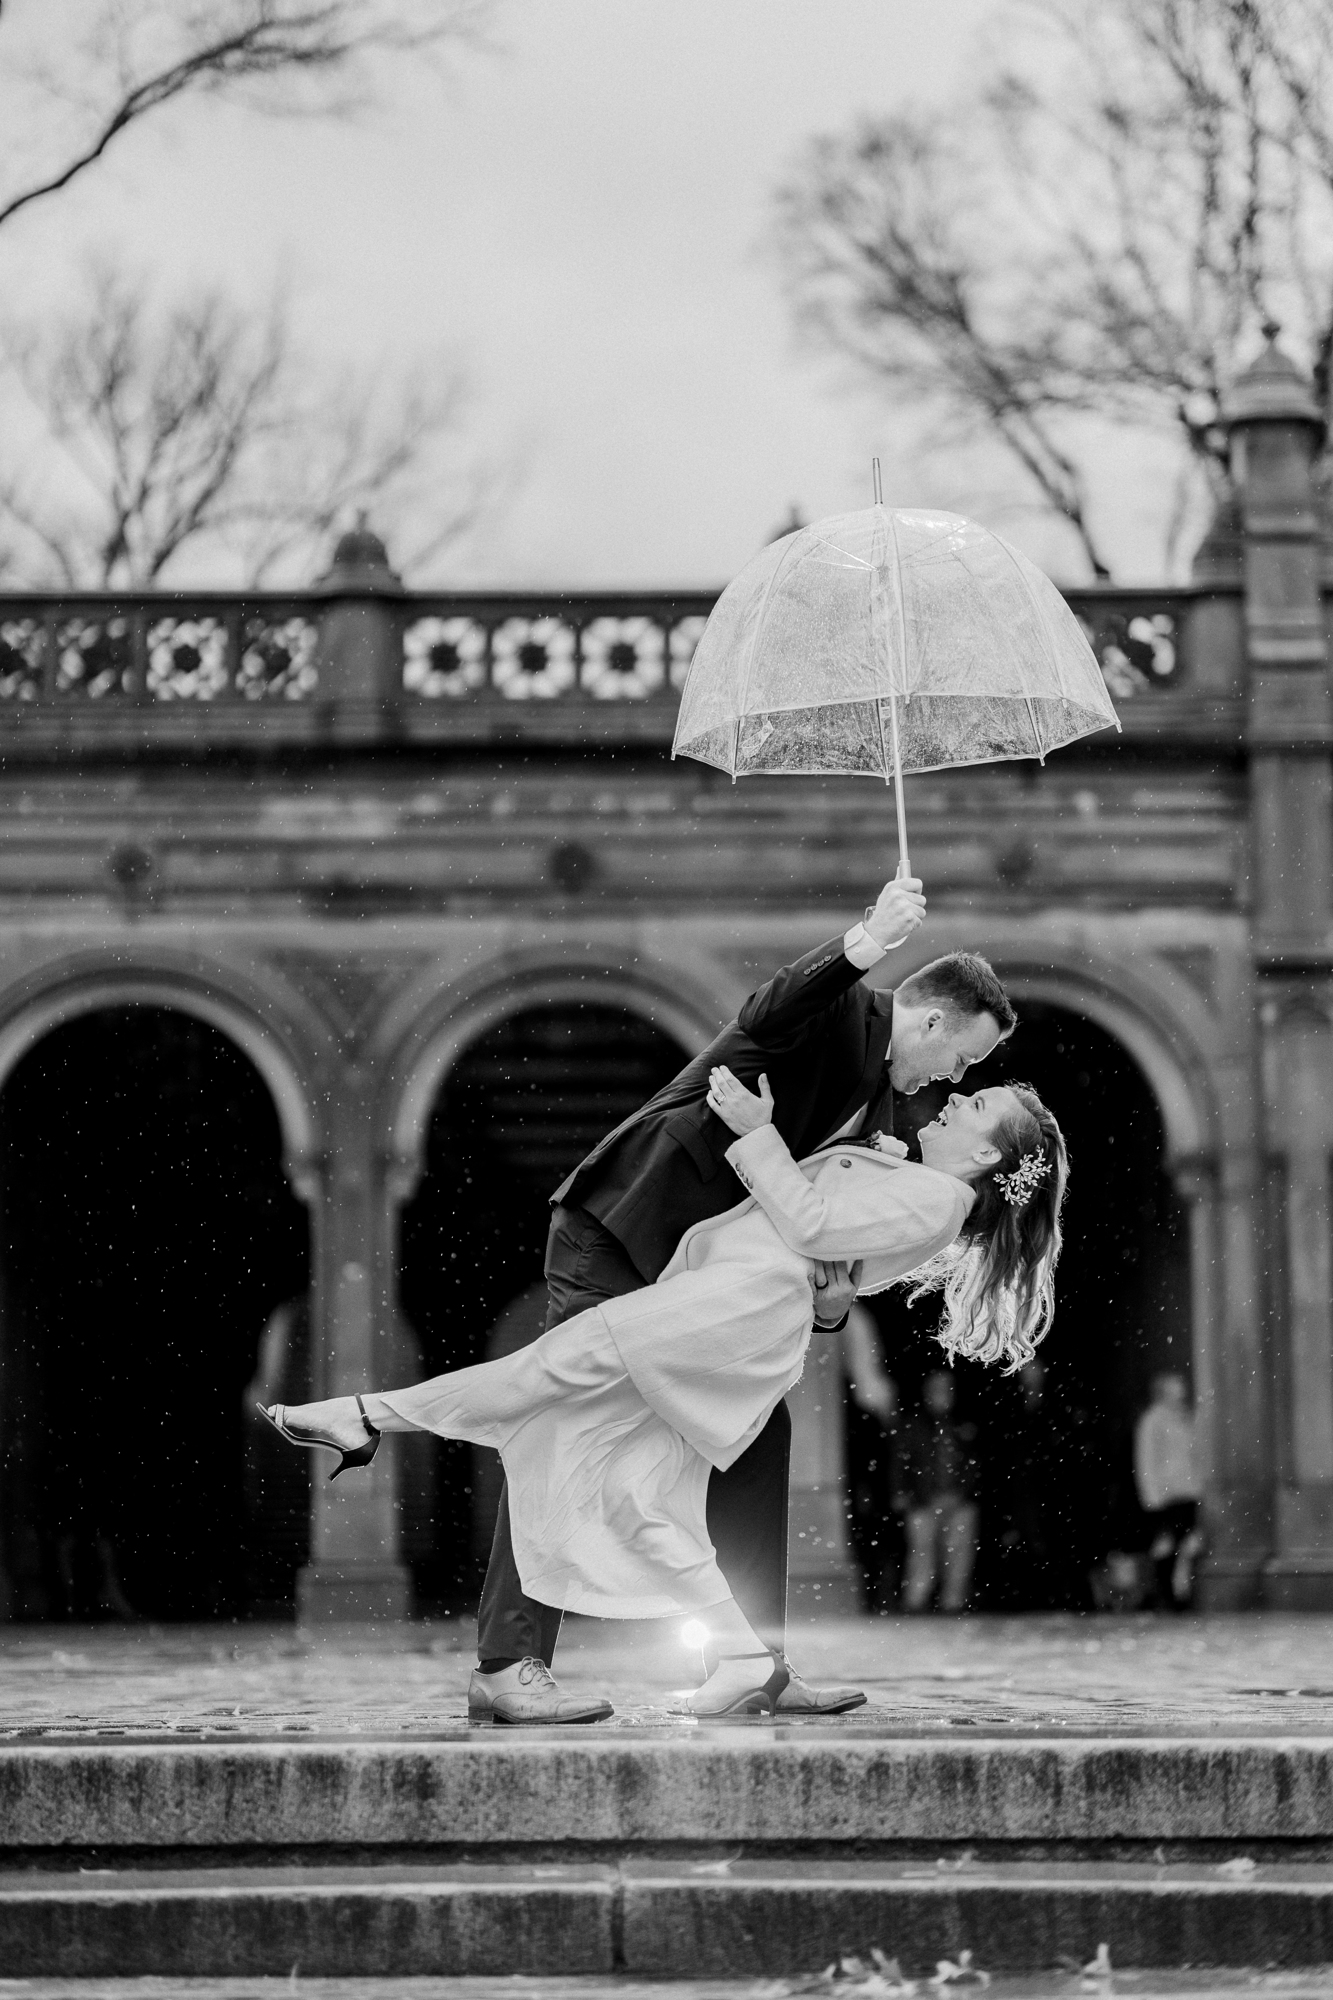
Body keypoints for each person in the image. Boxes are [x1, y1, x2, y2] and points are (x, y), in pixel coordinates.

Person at [263, 1068, 1068, 1720]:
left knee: (550, 1373)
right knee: (641, 1498)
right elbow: (838, 1265)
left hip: (725, 1313)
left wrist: (757, 1132)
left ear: (991, 1158)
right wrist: (834, 1292)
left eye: (978, 1103)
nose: (958, 1096)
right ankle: (743, 1658)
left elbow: (815, 1227)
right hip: (731, 1313)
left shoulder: (938, 1196)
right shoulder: (918, 1183)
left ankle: (363, 1416)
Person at [453, 874, 1018, 1720]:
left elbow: (828, 1231)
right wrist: (867, 937)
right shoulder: (837, 1011)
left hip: (700, 1274)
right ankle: (506, 1665)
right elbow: (764, 1014)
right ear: (931, 1020)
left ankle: (753, 1663)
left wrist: (832, 1303)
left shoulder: (890, 1119)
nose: (955, 1075)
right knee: (571, 1426)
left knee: (757, 1435)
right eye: (963, 1058)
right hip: (624, 1228)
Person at [897, 1368, 982, 1614]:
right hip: (922, 1501)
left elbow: (975, 1464)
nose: (942, 1394)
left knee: (959, 1554)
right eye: (936, 1389)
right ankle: (915, 1602)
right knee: (921, 1553)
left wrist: (962, 1493)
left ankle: (952, 1603)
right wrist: (904, 1493)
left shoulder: (964, 1423)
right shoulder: (913, 1425)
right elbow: (901, 1463)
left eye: (947, 1389)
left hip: (959, 1500)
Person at [1134, 1372, 1204, 1610]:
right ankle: (1165, 1595)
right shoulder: (1153, 1419)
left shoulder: (1185, 1417)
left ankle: (1179, 1595)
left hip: (1188, 1491)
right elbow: (1147, 1459)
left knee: (1187, 1546)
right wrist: (1152, 1497)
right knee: (1166, 1548)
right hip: (1166, 1495)